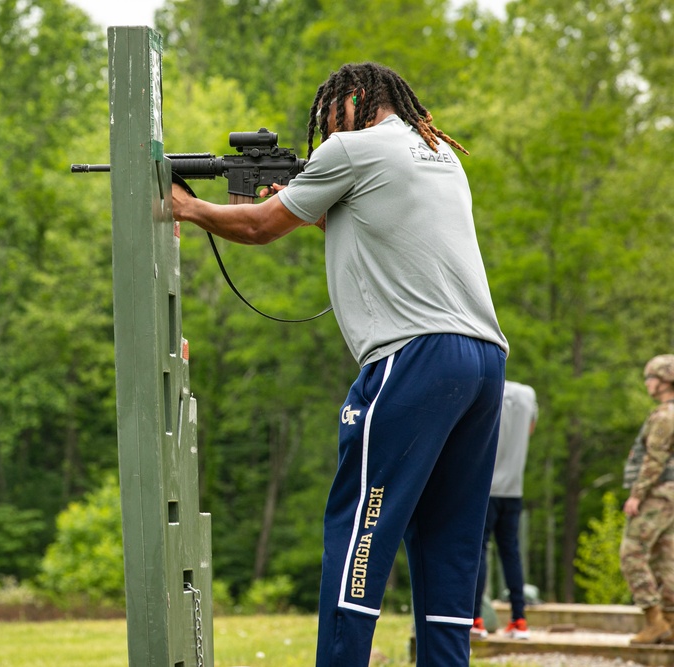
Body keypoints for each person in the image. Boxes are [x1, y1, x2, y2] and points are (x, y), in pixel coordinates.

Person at [171, 61, 508, 667]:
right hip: (483, 361)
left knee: (358, 525)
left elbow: (257, 226)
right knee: (448, 543)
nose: (322, 134)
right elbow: (385, 225)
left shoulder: (351, 149)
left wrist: (187, 209)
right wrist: (313, 203)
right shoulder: (437, 152)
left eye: (326, 116)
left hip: (414, 357)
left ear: (348, 103)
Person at [471, 380, 538, 640]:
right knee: (511, 553)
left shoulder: (485, 386)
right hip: (514, 488)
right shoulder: (527, 394)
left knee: (479, 552)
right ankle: (519, 620)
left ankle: (475, 619)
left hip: (484, 488)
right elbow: (530, 429)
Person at [620, 353, 674, 645]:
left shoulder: (665, 416)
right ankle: (671, 622)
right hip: (670, 496)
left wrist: (636, 495)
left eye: (651, 378)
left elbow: (654, 459)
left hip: (658, 494)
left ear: (665, 380)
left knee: (632, 552)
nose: (648, 383)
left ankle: (655, 620)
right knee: (667, 557)